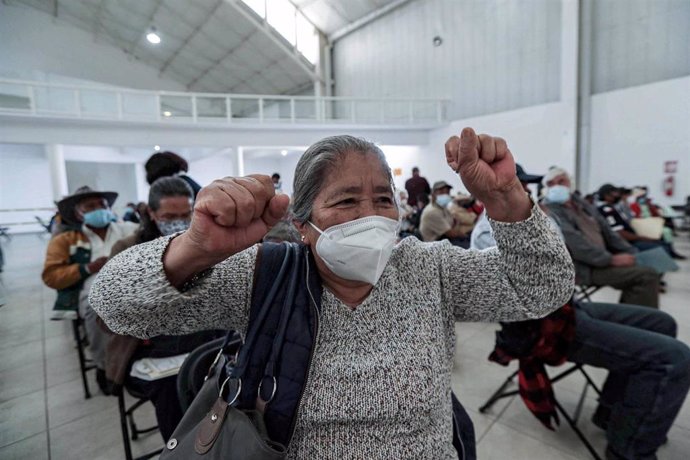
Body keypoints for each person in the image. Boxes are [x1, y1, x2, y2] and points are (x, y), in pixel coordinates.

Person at [91, 128, 574, 459]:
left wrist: (507, 197)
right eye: (346, 201)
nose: (371, 215)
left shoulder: (428, 267)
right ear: (302, 224)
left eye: (383, 199)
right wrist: (193, 249)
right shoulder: (266, 274)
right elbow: (118, 304)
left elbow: (541, 288)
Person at [472, 220, 690, 460]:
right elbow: (529, 292)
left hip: (567, 308)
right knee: (675, 359)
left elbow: (563, 262)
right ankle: (628, 451)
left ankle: (616, 414)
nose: (524, 192)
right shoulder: (488, 232)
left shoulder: (535, 214)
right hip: (542, 327)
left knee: (662, 323)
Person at [106, 177, 221, 441]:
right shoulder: (128, 249)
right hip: (152, 348)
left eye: (186, 214)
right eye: (170, 215)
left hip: (202, 340)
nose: (179, 221)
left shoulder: (207, 244)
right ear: (152, 213)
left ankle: (221, 443)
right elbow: (111, 314)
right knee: (175, 390)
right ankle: (183, 450)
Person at [42, 186, 138, 392]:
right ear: (78, 213)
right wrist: (87, 268)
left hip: (131, 286)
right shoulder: (65, 241)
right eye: (90, 206)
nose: (98, 209)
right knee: (98, 310)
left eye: (102, 205)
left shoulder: (128, 230)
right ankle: (105, 365)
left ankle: (140, 356)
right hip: (93, 291)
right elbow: (51, 276)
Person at [542, 168, 659, 308]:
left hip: (601, 260)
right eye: (551, 183)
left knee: (648, 263)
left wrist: (630, 251)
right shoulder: (549, 210)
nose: (556, 186)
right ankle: (638, 323)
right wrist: (611, 259)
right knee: (646, 276)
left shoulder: (582, 204)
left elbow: (608, 232)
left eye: (561, 181)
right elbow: (575, 244)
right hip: (582, 268)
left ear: (570, 183)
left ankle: (631, 317)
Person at [597, 184, 685, 260]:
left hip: (631, 238)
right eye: (614, 193)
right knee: (661, 248)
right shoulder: (606, 210)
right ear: (606, 195)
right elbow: (619, 233)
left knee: (663, 243)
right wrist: (642, 237)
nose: (617, 195)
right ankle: (653, 274)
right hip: (625, 243)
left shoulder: (614, 208)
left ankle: (655, 274)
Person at [420, 180, 473, 246]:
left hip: (446, 240)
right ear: (433, 194)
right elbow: (451, 233)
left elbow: (453, 222)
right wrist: (466, 236)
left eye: (447, 192)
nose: (445, 194)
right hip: (436, 245)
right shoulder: (432, 211)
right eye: (441, 192)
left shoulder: (442, 208)